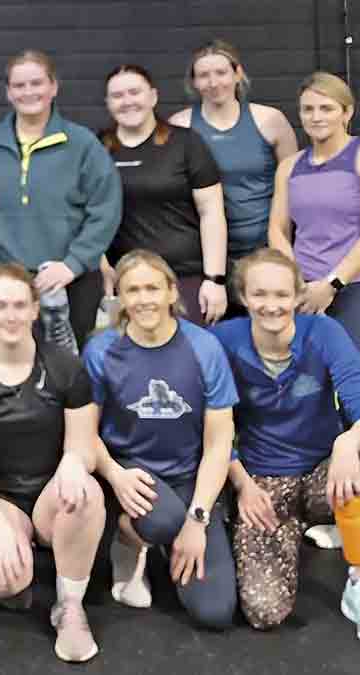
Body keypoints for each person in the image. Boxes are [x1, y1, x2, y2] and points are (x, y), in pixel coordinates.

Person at [211, 248, 360, 646]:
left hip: (325, 477)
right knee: (265, 611)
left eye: (281, 295)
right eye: (260, 294)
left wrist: (347, 441)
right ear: (243, 296)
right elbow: (208, 427)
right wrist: (241, 482)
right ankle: (290, 533)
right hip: (265, 486)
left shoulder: (323, 333)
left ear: (298, 296)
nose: (271, 305)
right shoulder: (222, 341)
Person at [0, 263, 105, 662]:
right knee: (5, 582)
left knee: (87, 491)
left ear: (36, 309)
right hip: (2, 496)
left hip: (53, 495)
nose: (11, 315)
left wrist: (73, 462)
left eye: (20, 305)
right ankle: (19, 564)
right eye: (0, 305)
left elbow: (84, 446)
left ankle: (70, 606)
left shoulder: (66, 365)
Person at [84, 249, 238, 629]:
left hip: (187, 478)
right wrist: (114, 474)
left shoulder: (204, 348)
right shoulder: (102, 350)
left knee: (215, 612)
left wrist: (198, 519)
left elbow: (219, 443)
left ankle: (166, 537)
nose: (143, 299)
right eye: (132, 290)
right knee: (165, 520)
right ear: (120, 297)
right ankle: (128, 538)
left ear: (172, 292)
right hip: (129, 474)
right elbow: (84, 432)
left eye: (152, 288)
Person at [0, 50, 122, 349]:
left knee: (67, 365)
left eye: (37, 83)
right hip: (10, 279)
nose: (28, 92)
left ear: (53, 87)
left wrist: (73, 263)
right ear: (8, 92)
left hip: (71, 279)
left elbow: (106, 208)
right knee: (16, 362)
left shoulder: (81, 143)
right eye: (19, 85)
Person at [268, 71, 360, 389]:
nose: (316, 117)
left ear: (346, 112)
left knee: (358, 386)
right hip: (304, 292)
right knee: (306, 388)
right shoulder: (290, 167)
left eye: (326, 108)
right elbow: (277, 229)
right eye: (308, 109)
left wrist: (332, 284)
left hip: (356, 288)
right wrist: (297, 281)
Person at [170, 40, 297, 317]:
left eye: (221, 72)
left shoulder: (270, 121)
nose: (213, 82)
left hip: (264, 251)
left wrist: (284, 249)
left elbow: (292, 189)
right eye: (204, 75)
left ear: (237, 73)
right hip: (207, 260)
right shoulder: (180, 125)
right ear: (194, 82)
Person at [100, 65, 228, 326]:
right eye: (117, 95)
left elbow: (212, 212)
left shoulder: (186, 143)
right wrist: (102, 266)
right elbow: (86, 214)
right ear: (108, 103)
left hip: (184, 278)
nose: (127, 101)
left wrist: (215, 279)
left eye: (134, 92)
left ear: (153, 96)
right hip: (128, 282)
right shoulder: (98, 149)